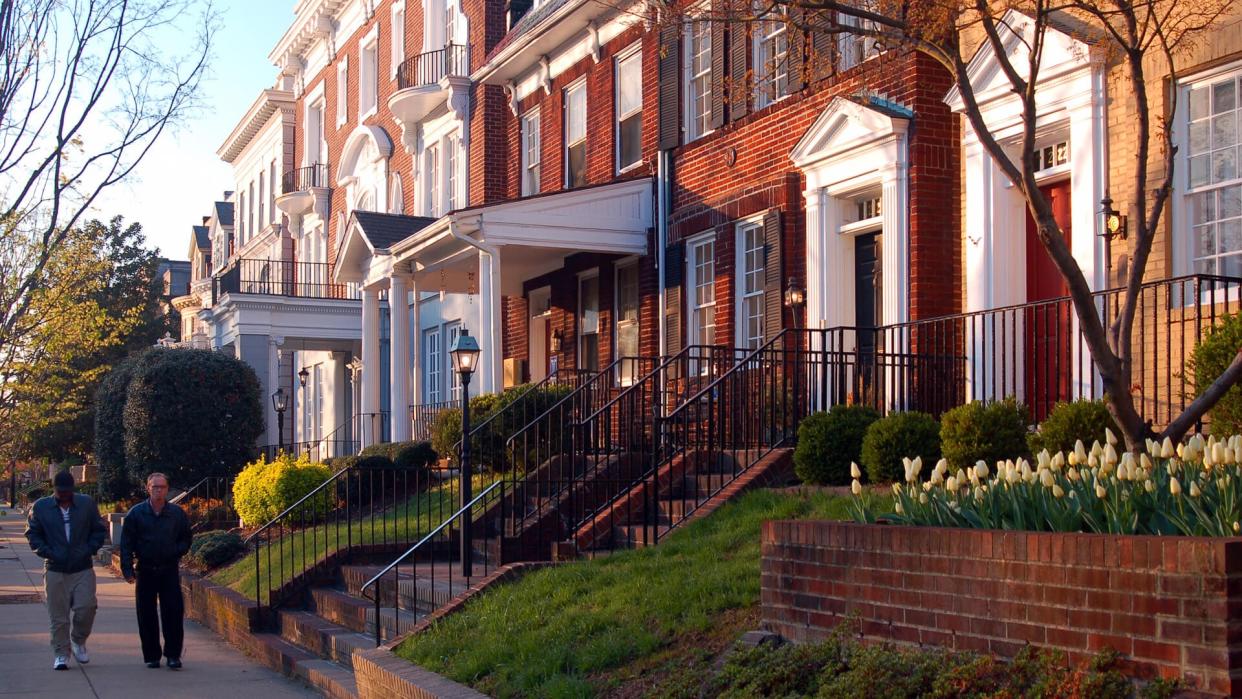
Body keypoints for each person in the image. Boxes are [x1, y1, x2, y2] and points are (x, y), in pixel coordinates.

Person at [24, 470, 107, 670]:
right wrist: (47, 552)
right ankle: (61, 653)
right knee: (58, 616)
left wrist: (89, 549)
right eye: (60, 492)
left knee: (86, 607)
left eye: (67, 492)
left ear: (73, 490)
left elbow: (98, 529)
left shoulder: (86, 504)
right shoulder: (41, 507)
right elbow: (33, 533)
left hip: (82, 566)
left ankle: (78, 640)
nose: (64, 495)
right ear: (54, 490)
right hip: (55, 567)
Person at [119, 472, 191, 670]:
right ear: (148, 488)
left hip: (168, 569)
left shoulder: (176, 514)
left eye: (162, 487)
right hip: (146, 569)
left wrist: (175, 551)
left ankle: (173, 655)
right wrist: (127, 568)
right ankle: (151, 655)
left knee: (173, 613)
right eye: (154, 487)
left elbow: (186, 538)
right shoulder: (136, 513)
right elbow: (126, 543)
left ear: (167, 489)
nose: (158, 490)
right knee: (146, 614)